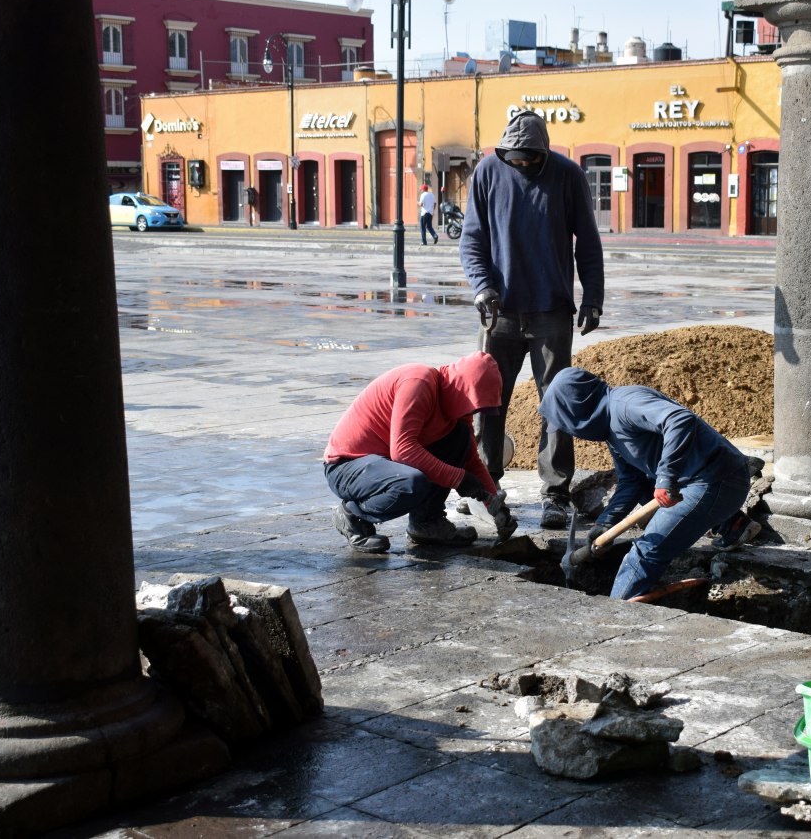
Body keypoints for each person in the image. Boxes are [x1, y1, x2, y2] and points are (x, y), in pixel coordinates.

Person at [460, 109, 605, 530]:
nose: (520, 164)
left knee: (557, 402)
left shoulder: (568, 176)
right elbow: (472, 239)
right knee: (489, 401)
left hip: (551, 312)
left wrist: (592, 298)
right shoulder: (488, 172)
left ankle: (556, 493)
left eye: (528, 158)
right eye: (514, 158)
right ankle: (487, 485)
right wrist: (482, 287)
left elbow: (588, 244)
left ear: (543, 151)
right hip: (500, 312)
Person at [538, 368, 759, 601]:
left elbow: (679, 419)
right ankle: (731, 522)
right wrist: (606, 524)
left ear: (576, 410)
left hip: (717, 479)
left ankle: (616, 614)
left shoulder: (625, 404)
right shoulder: (610, 429)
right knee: (644, 488)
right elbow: (630, 481)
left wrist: (666, 478)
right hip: (698, 481)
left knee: (644, 552)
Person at [323, 351, 504, 554]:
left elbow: (470, 459)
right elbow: (403, 450)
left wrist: (495, 505)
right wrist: (459, 479)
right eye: (474, 406)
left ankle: (426, 523)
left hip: (384, 463)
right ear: (463, 389)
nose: (473, 413)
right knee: (410, 483)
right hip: (347, 466)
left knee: (459, 437)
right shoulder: (419, 382)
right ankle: (353, 516)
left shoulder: (457, 407)